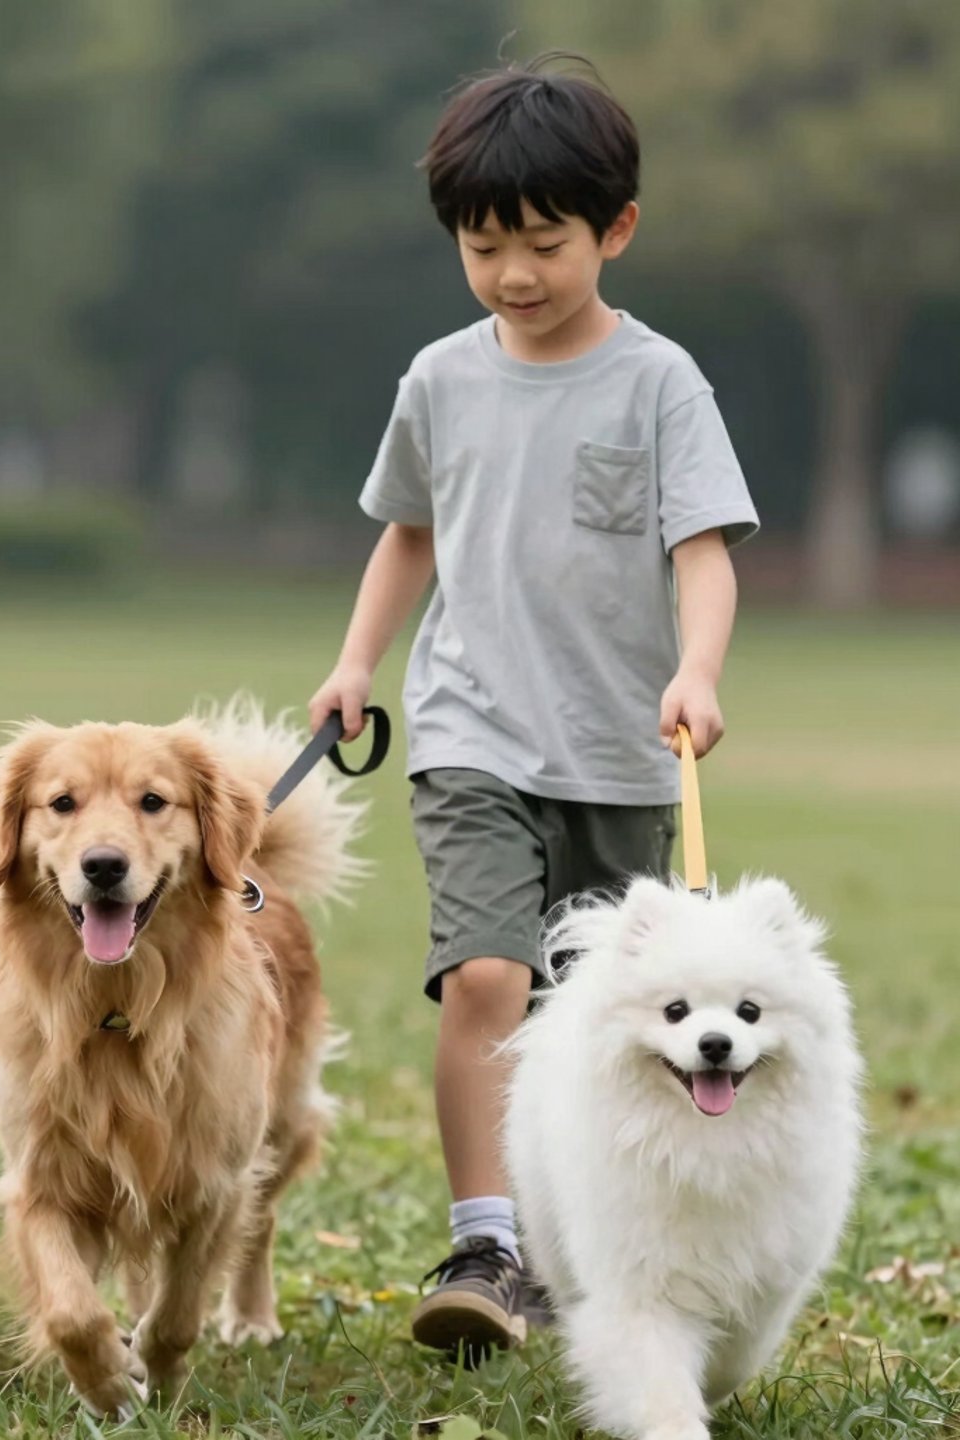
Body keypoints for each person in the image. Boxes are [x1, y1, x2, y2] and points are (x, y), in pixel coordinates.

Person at [308, 53, 759, 1360]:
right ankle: (488, 1241)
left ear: (615, 230)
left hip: (623, 758)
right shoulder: (441, 379)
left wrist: (699, 669)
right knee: (489, 978)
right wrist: (356, 666)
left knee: (596, 1020)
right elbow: (409, 535)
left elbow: (703, 547)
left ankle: (585, 1244)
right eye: (483, 244)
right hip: (471, 737)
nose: (513, 274)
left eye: (544, 244)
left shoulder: (661, 382)